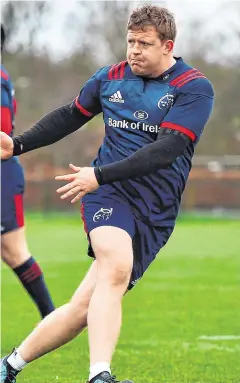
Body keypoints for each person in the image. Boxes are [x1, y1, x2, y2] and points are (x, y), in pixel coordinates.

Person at [0, 5, 214, 383]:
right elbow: (70, 115)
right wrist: (18, 145)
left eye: (144, 44)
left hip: (155, 209)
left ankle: (8, 366)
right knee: (115, 266)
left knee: (84, 307)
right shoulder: (110, 78)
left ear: (168, 46)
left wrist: (99, 174)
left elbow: (167, 149)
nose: (133, 50)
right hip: (107, 195)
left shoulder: (194, 88)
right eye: (130, 41)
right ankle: (100, 376)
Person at [0, 24, 55, 320]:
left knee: (16, 252)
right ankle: (53, 318)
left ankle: (53, 319)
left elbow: (1, 137)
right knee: (12, 252)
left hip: (2, 178)